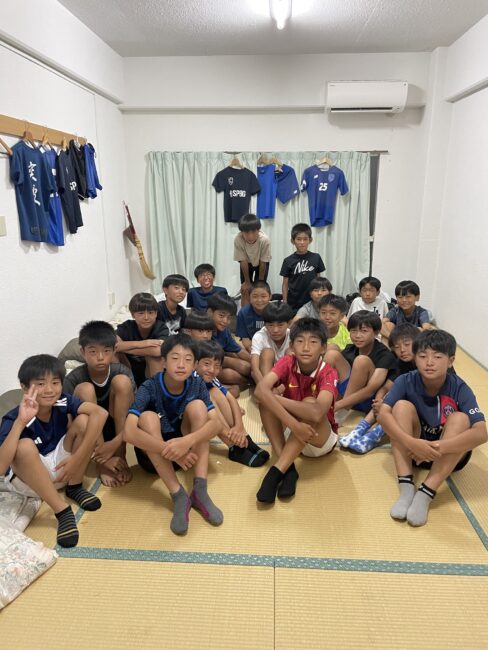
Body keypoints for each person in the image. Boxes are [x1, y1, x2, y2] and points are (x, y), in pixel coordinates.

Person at [377, 330, 487, 527]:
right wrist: (412, 443)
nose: (429, 362)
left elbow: (481, 432)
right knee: (401, 407)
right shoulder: (406, 380)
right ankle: (406, 488)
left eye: (437, 357)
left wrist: (435, 447)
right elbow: (382, 414)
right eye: (422, 356)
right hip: (413, 451)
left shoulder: (459, 387)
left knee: (461, 419)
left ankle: (426, 492)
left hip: (447, 454)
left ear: (450, 361)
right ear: (414, 358)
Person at [0, 354, 107, 547]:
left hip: (65, 470)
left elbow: (101, 413)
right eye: (40, 384)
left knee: (84, 420)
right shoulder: (13, 418)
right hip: (32, 483)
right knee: (23, 446)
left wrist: (77, 459)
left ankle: (75, 487)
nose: (49, 390)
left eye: (55, 382)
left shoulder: (63, 401)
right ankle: (61, 510)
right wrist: (20, 422)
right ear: (25, 388)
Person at [123, 333, 224, 535]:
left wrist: (187, 442)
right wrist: (171, 451)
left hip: (186, 454)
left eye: (187, 360)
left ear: (195, 365)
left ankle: (200, 491)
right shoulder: (149, 387)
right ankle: (178, 494)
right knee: (148, 417)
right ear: (163, 361)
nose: (181, 365)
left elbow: (216, 424)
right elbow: (128, 433)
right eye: (175, 358)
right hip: (155, 457)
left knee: (198, 407)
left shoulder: (196, 384)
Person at [254, 318, 339, 503]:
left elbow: (317, 413)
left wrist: (274, 398)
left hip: (320, 439)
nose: (306, 347)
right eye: (300, 341)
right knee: (265, 403)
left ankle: (275, 472)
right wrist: (294, 425)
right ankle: (288, 469)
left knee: (309, 404)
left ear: (323, 348)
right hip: (294, 432)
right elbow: (260, 390)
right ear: (292, 346)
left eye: (313, 342)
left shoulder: (328, 372)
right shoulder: (288, 361)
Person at [63, 320, 135, 487]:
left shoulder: (121, 371)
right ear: (83, 352)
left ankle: (121, 456)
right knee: (85, 389)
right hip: (90, 433)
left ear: (114, 350)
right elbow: (68, 422)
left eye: (106, 351)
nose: (100, 357)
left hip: (117, 428)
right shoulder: (73, 378)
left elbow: (134, 412)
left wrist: (119, 446)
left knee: (122, 382)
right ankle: (102, 461)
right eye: (93, 352)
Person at [339, 323, 420, 453]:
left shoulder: (425, 363)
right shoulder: (400, 362)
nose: (402, 350)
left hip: (419, 408)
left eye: (407, 344)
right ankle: (359, 429)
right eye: (397, 347)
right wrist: (379, 399)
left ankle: (375, 435)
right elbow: (388, 385)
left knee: (398, 402)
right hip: (402, 400)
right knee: (387, 398)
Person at [195, 340, 269, 467]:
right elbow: (212, 418)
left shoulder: (211, 378)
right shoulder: (193, 380)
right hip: (189, 423)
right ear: (195, 363)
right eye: (207, 364)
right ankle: (233, 445)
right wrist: (233, 437)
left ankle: (245, 438)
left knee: (216, 392)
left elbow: (230, 398)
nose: (212, 370)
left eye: (217, 366)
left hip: (212, 419)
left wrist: (239, 427)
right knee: (209, 398)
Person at [325, 310, 397, 420]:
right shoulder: (350, 349)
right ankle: (323, 401)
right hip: (345, 396)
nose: (358, 336)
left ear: (376, 332)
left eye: (364, 331)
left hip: (367, 401)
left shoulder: (384, 354)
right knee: (332, 353)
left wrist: (338, 405)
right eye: (353, 331)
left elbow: (370, 391)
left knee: (361, 361)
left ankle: (340, 413)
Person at [116, 292, 166, 387]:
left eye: (150, 313)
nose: (146, 317)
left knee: (156, 358)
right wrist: (144, 343)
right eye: (141, 313)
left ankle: (156, 393)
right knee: (114, 354)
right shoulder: (126, 327)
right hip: (129, 368)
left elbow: (158, 351)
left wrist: (125, 348)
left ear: (156, 314)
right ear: (133, 315)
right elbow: (114, 346)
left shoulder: (160, 327)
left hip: (150, 370)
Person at [207, 292, 251, 396]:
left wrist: (256, 363)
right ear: (210, 312)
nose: (225, 321)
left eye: (229, 317)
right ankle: (248, 383)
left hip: (219, 361)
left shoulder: (224, 331)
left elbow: (238, 350)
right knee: (231, 374)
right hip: (207, 366)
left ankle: (249, 383)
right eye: (221, 316)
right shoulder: (202, 329)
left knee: (247, 366)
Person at [280, 223, 325, 311]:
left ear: (310, 240)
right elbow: (285, 284)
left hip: (312, 301)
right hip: (294, 302)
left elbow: (318, 280)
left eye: (305, 239)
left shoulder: (316, 257)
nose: (302, 242)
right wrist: (285, 302)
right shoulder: (288, 260)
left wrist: (319, 297)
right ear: (292, 241)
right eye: (299, 239)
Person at [250, 301, 293, 384]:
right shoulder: (259, 336)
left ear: (289, 323)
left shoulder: (293, 336)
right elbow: (255, 370)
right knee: (267, 352)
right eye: (270, 325)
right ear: (265, 324)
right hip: (266, 377)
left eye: (280, 325)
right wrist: (264, 388)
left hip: (287, 381)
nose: (275, 330)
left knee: (290, 352)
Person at [233, 213, 271, 305]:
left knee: (259, 289)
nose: (250, 236)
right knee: (246, 288)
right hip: (246, 263)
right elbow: (243, 261)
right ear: (241, 232)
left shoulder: (264, 240)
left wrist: (260, 283)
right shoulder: (238, 239)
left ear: (258, 230)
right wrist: (247, 281)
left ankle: (260, 310)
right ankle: (245, 311)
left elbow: (263, 263)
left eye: (254, 232)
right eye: (246, 233)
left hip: (262, 263)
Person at [236, 280, 272, 352]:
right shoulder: (243, 313)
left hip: (271, 345)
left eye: (263, 296)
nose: (259, 300)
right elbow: (245, 338)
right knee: (238, 345)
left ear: (270, 296)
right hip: (252, 345)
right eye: (255, 296)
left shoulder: (275, 311)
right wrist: (254, 351)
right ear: (249, 297)